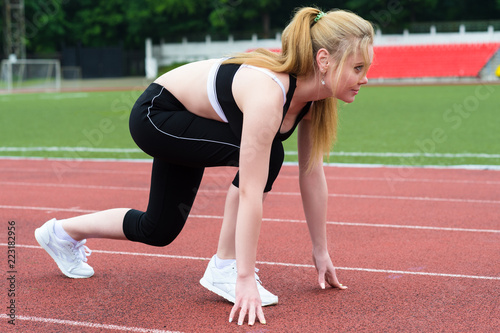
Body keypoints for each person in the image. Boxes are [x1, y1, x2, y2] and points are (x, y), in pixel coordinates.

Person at [35, 7, 374, 326]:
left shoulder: (313, 104)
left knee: (159, 229)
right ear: (324, 60)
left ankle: (61, 233)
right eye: (358, 68)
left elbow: (312, 173)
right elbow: (251, 192)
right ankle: (225, 268)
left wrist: (321, 251)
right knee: (269, 156)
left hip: (190, 117)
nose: (365, 79)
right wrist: (243, 278)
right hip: (157, 115)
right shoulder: (270, 95)